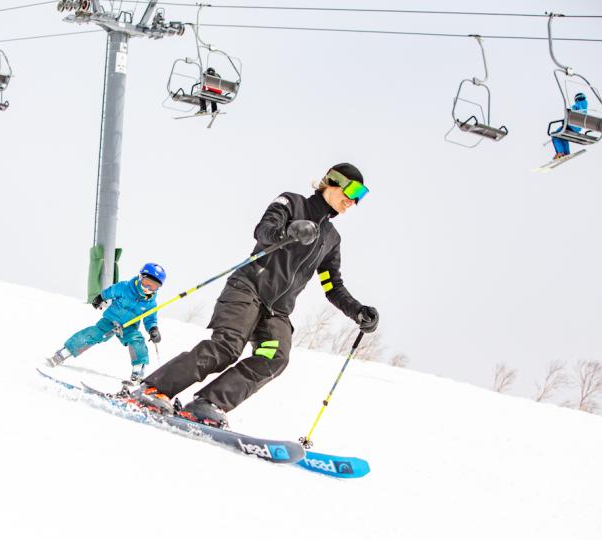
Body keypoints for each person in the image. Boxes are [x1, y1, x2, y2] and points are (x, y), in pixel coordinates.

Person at [131, 163, 379, 428]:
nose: (353, 201)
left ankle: (208, 403)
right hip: (247, 289)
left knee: (275, 357)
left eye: (360, 196)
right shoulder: (292, 203)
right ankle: (153, 389)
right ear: (331, 181)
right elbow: (263, 229)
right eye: (353, 190)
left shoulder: (331, 238)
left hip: (277, 311)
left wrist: (357, 310)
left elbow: (332, 285)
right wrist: (289, 230)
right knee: (226, 348)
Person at [46, 263, 166, 385]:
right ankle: (64, 353)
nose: (148, 289)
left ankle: (137, 372)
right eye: (146, 283)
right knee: (93, 333)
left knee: (137, 341)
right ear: (140, 277)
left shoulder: (151, 304)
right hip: (110, 320)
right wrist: (100, 298)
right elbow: (110, 291)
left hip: (129, 327)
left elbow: (150, 319)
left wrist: (153, 329)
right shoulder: (124, 287)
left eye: (153, 287)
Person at [552, 92, 588, 159]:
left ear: (576, 99)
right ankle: (566, 153)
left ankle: (560, 153)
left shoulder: (577, 105)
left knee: (555, 135)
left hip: (570, 127)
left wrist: (565, 118)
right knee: (563, 137)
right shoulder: (585, 108)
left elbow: (571, 112)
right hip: (577, 129)